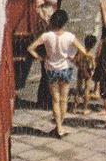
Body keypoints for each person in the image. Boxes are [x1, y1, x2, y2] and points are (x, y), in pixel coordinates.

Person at [28, 9, 90, 137]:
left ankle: (59, 127)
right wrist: (74, 58)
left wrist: (40, 57)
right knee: (64, 99)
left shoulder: (46, 36)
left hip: (51, 68)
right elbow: (84, 51)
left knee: (55, 100)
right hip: (65, 68)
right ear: (64, 22)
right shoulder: (70, 37)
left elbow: (30, 48)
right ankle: (60, 126)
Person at [72, 34, 98, 114]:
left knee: (78, 90)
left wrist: (78, 66)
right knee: (86, 90)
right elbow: (93, 66)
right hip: (88, 71)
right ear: (93, 45)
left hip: (81, 70)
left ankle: (74, 108)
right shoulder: (91, 55)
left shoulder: (80, 51)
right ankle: (85, 108)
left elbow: (75, 60)